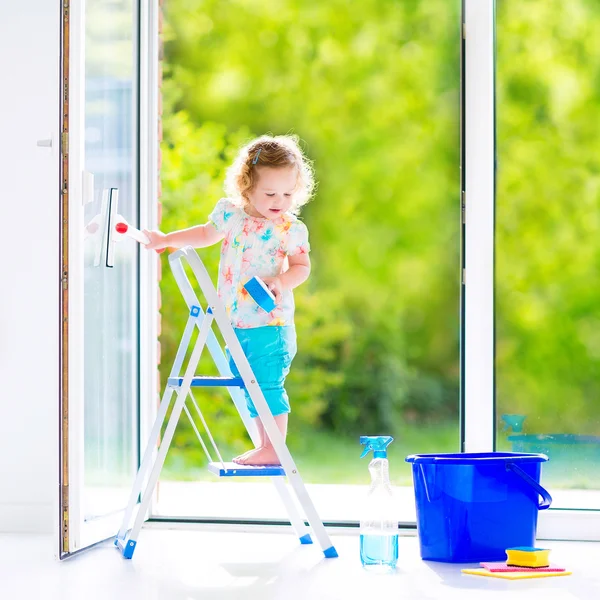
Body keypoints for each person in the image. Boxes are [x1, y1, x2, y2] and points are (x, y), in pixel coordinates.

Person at [144, 134, 314, 465]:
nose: (279, 200)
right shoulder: (232, 215)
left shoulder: (289, 228)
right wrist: (167, 240)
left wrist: (280, 281)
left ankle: (274, 448)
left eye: (288, 193)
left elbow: (302, 267)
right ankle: (266, 443)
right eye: (270, 193)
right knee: (248, 384)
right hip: (235, 322)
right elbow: (206, 234)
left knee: (266, 383)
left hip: (270, 322)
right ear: (246, 186)